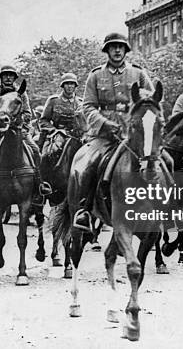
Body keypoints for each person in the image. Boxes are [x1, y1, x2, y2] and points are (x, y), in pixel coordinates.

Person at [72, 32, 156, 232]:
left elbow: (152, 101)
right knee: (88, 164)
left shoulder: (139, 74)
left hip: (134, 133)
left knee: (162, 160)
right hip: (105, 135)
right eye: (113, 47)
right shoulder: (95, 75)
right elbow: (88, 107)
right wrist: (104, 123)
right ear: (107, 50)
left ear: (126, 50)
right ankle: (84, 210)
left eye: (121, 47)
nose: (117, 50)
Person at [0, 65, 51, 204]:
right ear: (1, 78)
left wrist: (17, 123)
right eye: (5, 75)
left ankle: (39, 184)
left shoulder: (21, 93)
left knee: (36, 151)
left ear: (14, 78)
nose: (8, 78)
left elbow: (27, 113)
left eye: (11, 75)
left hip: (17, 131)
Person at [38, 72, 82, 151]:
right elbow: (43, 120)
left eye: (72, 84)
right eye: (67, 84)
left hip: (76, 135)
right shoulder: (53, 100)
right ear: (63, 85)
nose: (70, 86)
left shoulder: (80, 102)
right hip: (57, 133)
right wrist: (54, 130)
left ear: (75, 86)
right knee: (49, 153)